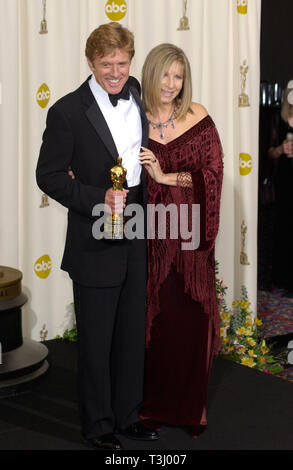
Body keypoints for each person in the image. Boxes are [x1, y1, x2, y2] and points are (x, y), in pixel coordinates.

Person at [36, 22, 159, 450]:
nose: (115, 72)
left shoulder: (139, 92)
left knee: (130, 335)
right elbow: (48, 176)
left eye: (122, 63)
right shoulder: (67, 111)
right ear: (90, 63)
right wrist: (96, 198)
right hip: (94, 240)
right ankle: (99, 426)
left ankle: (129, 416)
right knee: (96, 341)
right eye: (106, 64)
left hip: (137, 233)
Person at [138, 43, 223, 437]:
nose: (171, 84)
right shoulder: (132, 119)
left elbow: (214, 174)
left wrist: (166, 177)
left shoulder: (198, 116)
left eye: (179, 76)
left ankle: (191, 410)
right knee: (155, 327)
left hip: (190, 244)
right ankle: (151, 408)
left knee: (191, 324)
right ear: (151, 73)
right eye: (165, 74)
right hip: (149, 241)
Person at [268, 80, 293, 296]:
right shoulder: (279, 119)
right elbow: (268, 153)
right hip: (285, 179)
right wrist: (280, 149)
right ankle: (281, 278)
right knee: (283, 225)